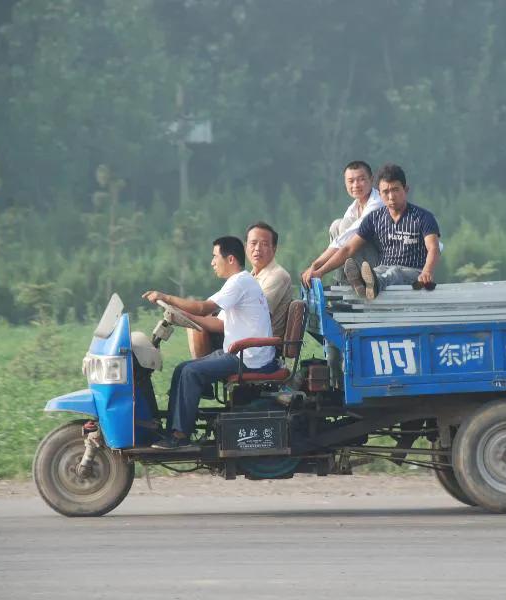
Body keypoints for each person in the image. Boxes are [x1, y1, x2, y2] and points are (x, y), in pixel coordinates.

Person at [142, 236, 279, 450]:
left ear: (230, 259)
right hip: (239, 352)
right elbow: (217, 324)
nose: (212, 262)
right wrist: (181, 316)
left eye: (215, 257)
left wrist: (167, 298)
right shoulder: (238, 283)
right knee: (182, 369)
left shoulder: (239, 282)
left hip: (248, 357)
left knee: (191, 373)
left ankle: (180, 436)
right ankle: (172, 430)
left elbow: (203, 308)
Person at [306, 163, 440, 299]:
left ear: (406, 190)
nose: (391, 197)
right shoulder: (375, 218)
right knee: (374, 271)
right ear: (380, 193)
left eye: (395, 190)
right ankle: (360, 284)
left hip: (413, 272)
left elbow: (433, 248)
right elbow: (348, 248)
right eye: (386, 192)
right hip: (383, 268)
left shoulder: (423, 217)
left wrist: (427, 271)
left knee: (395, 272)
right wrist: (320, 272)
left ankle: (371, 286)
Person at [187, 222, 292, 359]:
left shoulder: (277, 276)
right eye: (253, 243)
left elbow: (257, 314)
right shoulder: (249, 277)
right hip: (244, 336)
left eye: (265, 244)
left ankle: (204, 374)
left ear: (274, 248)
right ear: (246, 247)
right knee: (197, 320)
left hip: (259, 346)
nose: (257, 249)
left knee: (197, 325)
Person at [301, 160, 383, 288]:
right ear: (345, 184)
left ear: (371, 180)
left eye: (361, 179)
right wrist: (315, 265)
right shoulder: (354, 206)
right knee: (336, 225)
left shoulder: (377, 203)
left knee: (345, 227)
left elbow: (347, 244)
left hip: (379, 264)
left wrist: (319, 270)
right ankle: (342, 280)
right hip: (362, 259)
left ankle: (347, 282)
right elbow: (339, 241)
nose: (356, 185)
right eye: (351, 181)